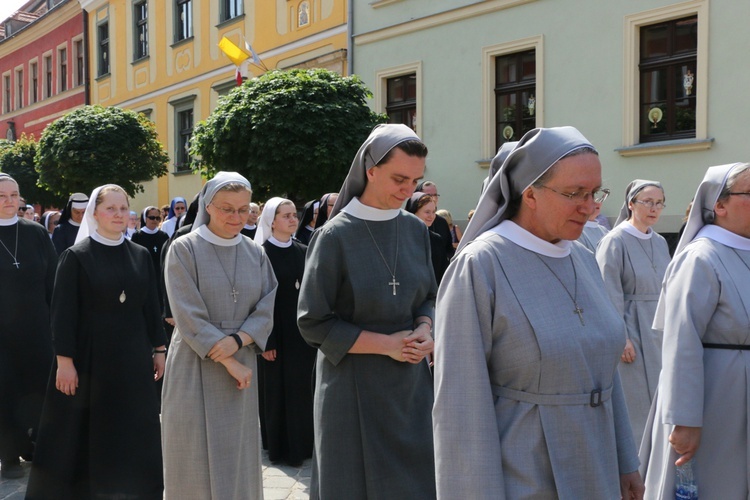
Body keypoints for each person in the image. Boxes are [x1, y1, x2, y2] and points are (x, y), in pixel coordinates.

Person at [432, 126, 643, 499]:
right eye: (574, 193)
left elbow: (604, 374)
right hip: (527, 472)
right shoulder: (481, 265)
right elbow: (461, 410)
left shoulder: (582, 255)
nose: (590, 206)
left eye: (595, 192)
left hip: (598, 466)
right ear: (529, 193)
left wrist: (627, 461)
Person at [298, 123, 437, 499]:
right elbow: (313, 322)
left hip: (409, 388)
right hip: (351, 388)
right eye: (399, 178)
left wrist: (425, 330)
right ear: (370, 170)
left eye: (416, 180)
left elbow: (428, 297)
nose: (408, 190)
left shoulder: (415, 230)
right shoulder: (334, 236)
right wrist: (386, 344)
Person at [26, 184, 166, 499]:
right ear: (95, 213)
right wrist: (65, 362)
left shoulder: (140, 254)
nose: (118, 215)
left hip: (132, 360)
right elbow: (62, 316)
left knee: (134, 429)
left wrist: (159, 349)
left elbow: (151, 306)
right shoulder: (76, 257)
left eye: (123, 208)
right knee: (92, 433)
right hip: (91, 360)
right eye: (110, 209)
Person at [161, 172, 277, 500]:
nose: (236, 217)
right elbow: (187, 313)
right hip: (195, 363)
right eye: (227, 209)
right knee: (192, 455)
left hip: (240, 356)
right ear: (209, 207)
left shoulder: (256, 252)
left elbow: (266, 306)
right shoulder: (184, 249)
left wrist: (238, 341)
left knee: (235, 454)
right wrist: (229, 359)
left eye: (244, 210)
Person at [639, 163, 750, 499]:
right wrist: (685, 420)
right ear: (719, 205)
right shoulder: (702, 257)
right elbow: (680, 342)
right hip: (715, 397)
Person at [596, 180, 670, 444]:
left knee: (662, 400)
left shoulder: (660, 242)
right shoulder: (614, 240)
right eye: (647, 202)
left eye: (659, 202)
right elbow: (607, 291)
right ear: (630, 204)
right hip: (631, 330)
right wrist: (621, 337)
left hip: (658, 330)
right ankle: (636, 469)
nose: (654, 208)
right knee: (637, 405)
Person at [0, 174, 57, 479]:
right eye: (2, 196)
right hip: (2, 334)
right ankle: (8, 453)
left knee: (39, 387)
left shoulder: (35, 233)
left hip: (37, 327)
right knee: (6, 390)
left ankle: (34, 444)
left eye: (14, 195)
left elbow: (53, 279)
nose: (9, 201)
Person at [254, 197, 315, 467]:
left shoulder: (304, 249)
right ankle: (279, 447)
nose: (293, 219)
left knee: (302, 388)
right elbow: (257, 299)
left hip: (302, 334)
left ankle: (304, 443)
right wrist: (266, 340)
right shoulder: (260, 253)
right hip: (274, 333)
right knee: (278, 389)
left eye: (294, 215)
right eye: (286, 215)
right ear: (271, 221)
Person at [407, 192, 449, 284]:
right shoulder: (403, 238)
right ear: (413, 212)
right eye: (427, 212)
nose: (431, 216)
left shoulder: (436, 239)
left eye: (433, 212)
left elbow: (443, 270)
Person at [416, 180, 454, 259]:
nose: (433, 198)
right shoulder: (409, 222)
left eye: (435, 195)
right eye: (429, 195)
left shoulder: (442, 222)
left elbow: (449, 250)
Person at [131, 206, 169, 275]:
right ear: (145, 218)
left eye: (157, 218)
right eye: (152, 218)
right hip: (143, 272)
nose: (155, 220)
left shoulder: (164, 236)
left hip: (160, 273)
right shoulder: (137, 236)